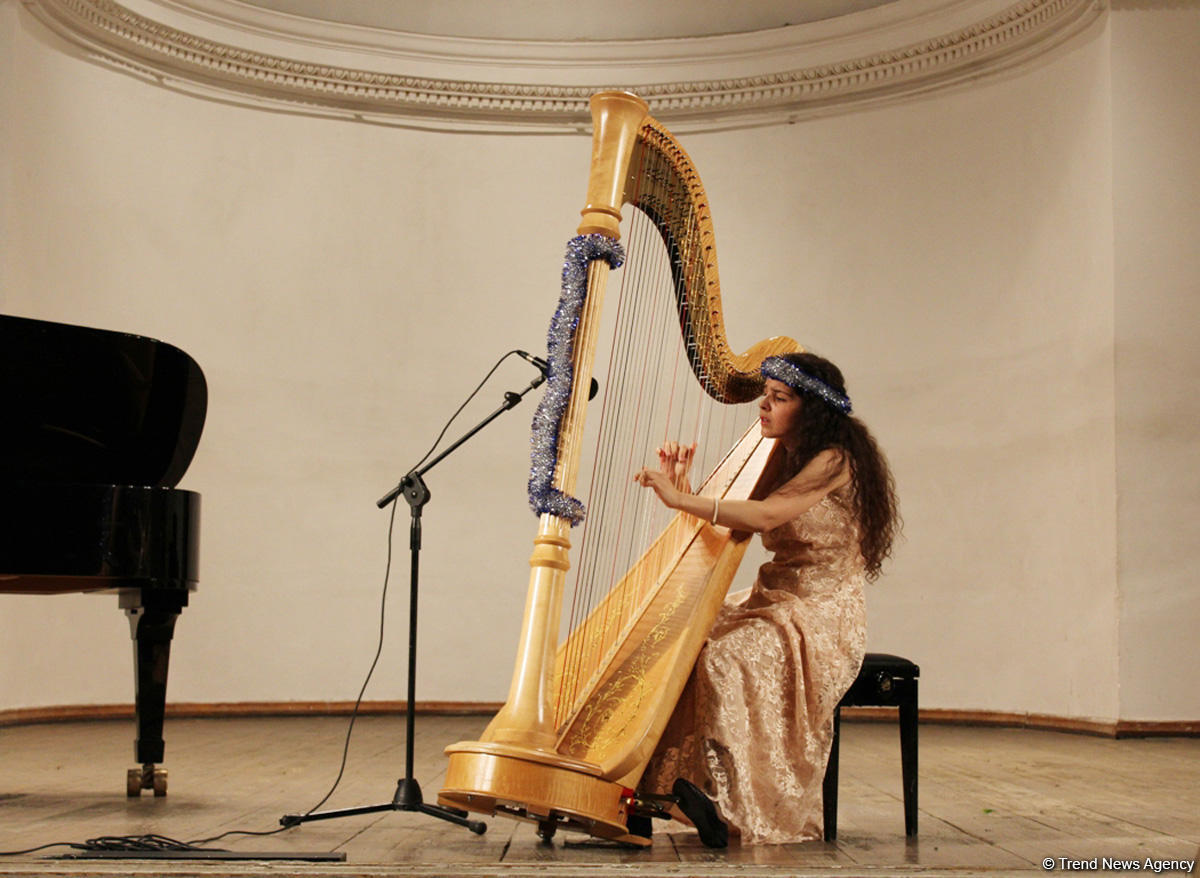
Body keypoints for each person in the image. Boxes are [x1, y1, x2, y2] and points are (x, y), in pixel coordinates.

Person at [632, 351, 900, 845]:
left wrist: (678, 497)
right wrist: (690, 487)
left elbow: (762, 518)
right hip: (772, 598)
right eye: (765, 395)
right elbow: (731, 525)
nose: (763, 406)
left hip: (820, 613)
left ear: (812, 409)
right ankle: (655, 790)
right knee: (679, 640)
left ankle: (727, 801)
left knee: (724, 657)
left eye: (779, 398)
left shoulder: (834, 459)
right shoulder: (781, 454)